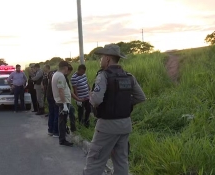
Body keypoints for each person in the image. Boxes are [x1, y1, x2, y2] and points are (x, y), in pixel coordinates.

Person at [83, 44, 146, 175]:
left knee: (95, 160)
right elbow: (141, 97)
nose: (100, 60)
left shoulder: (103, 76)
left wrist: (91, 96)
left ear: (107, 59)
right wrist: (125, 104)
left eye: (101, 58)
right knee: (121, 160)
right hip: (125, 125)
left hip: (106, 126)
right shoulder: (129, 76)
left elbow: (96, 100)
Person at [51, 61, 73, 146]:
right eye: (67, 67)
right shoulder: (60, 76)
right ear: (65, 67)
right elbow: (60, 90)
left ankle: (62, 139)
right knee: (62, 121)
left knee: (62, 121)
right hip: (63, 101)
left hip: (60, 101)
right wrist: (64, 104)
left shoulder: (56, 74)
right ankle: (62, 140)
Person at [46, 68, 59, 137]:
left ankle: (50, 130)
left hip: (49, 96)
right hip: (54, 97)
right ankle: (55, 131)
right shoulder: (58, 76)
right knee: (56, 113)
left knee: (51, 113)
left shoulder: (52, 74)